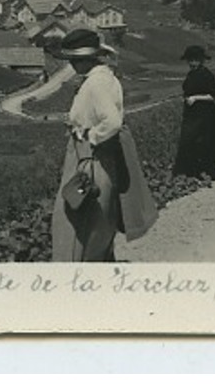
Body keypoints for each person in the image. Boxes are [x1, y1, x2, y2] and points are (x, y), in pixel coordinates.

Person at [49, 28, 158, 262]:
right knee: (98, 220)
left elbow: (112, 121)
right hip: (101, 158)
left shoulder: (95, 84)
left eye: (74, 60)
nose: (72, 66)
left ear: (86, 59)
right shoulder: (106, 78)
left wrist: (91, 135)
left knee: (72, 219)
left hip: (89, 158)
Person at [172, 44, 215, 180]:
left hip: (205, 114)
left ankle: (208, 172)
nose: (192, 63)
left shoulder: (206, 75)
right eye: (190, 60)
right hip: (192, 114)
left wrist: (195, 98)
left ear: (201, 60)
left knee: (204, 142)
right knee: (189, 141)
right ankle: (193, 172)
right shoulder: (191, 74)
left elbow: (213, 96)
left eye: (195, 60)